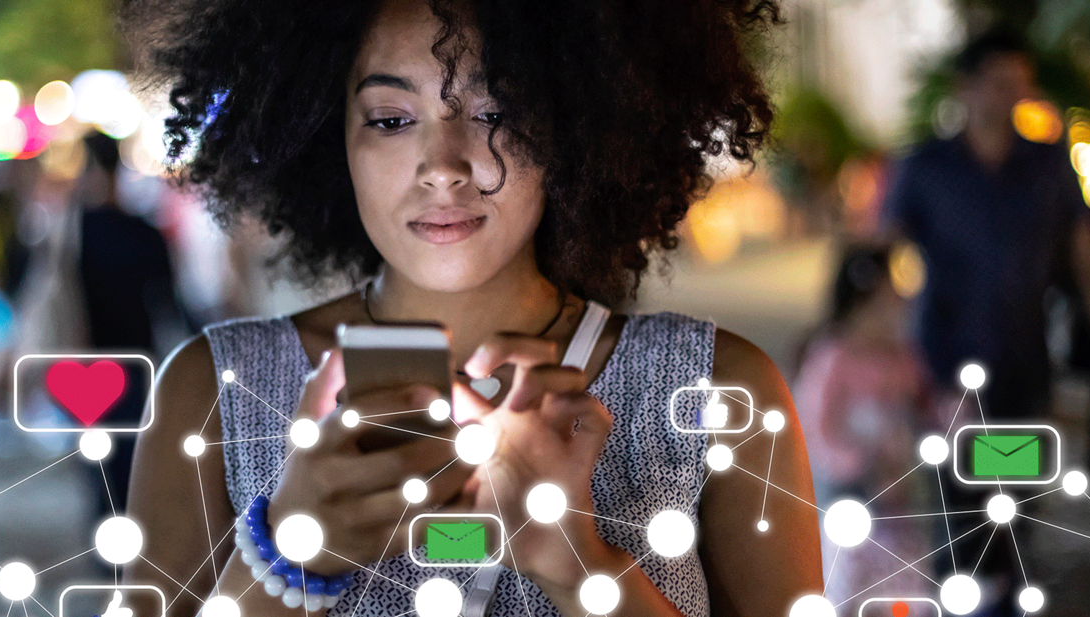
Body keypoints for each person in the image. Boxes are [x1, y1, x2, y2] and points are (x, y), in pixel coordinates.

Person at [122, 0, 822, 615]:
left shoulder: (716, 391)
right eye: (392, 118)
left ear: (579, 125)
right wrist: (286, 556)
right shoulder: (211, 392)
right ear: (329, 135)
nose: (443, 163)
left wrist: (576, 561)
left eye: (496, 113)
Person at [881, 28, 1090, 616]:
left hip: (1020, 370)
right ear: (966, 87)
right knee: (957, 520)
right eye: (998, 82)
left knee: (1012, 518)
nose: (1011, 95)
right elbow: (881, 262)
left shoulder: (1046, 165)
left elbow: (1087, 263)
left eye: (1020, 83)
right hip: (944, 372)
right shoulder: (927, 166)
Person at [792, 245, 940, 604]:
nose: (901, 305)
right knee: (847, 592)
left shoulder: (903, 357)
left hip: (900, 512)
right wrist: (866, 463)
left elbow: (928, 408)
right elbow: (813, 430)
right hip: (847, 510)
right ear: (863, 302)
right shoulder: (832, 358)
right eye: (891, 296)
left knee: (905, 596)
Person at [73, 130, 183, 521]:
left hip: (83, 361)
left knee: (98, 462)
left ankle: (107, 540)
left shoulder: (71, 233)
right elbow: (168, 297)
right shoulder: (143, 232)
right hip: (136, 357)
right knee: (132, 458)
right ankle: (127, 536)